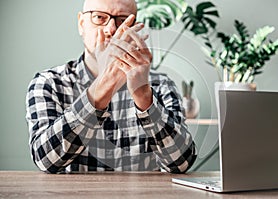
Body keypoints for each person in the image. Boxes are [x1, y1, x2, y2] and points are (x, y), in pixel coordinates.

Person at [25, 0, 196, 174]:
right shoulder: (49, 83)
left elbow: (181, 163)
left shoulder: (161, 86)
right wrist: (105, 83)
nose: (112, 30)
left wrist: (143, 95)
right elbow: (46, 160)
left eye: (122, 20)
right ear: (82, 24)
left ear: (135, 28)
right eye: (99, 17)